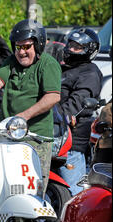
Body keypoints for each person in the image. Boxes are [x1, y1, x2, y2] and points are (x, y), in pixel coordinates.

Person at [0, 19, 61, 193]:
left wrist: (24, 116)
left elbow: (53, 97)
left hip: (36, 138)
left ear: (38, 45)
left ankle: (36, 220)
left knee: (33, 189)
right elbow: (0, 79)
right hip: (10, 136)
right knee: (8, 187)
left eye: (27, 47)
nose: (22, 52)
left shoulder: (48, 65)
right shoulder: (11, 62)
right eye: (18, 47)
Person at [56, 28, 103, 195]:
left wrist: (55, 117)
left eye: (78, 47)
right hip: (54, 136)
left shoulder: (89, 72)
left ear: (88, 50)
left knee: (74, 193)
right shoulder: (64, 69)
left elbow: (77, 105)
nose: (71, 50)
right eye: (71, 45)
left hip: (71, 140)